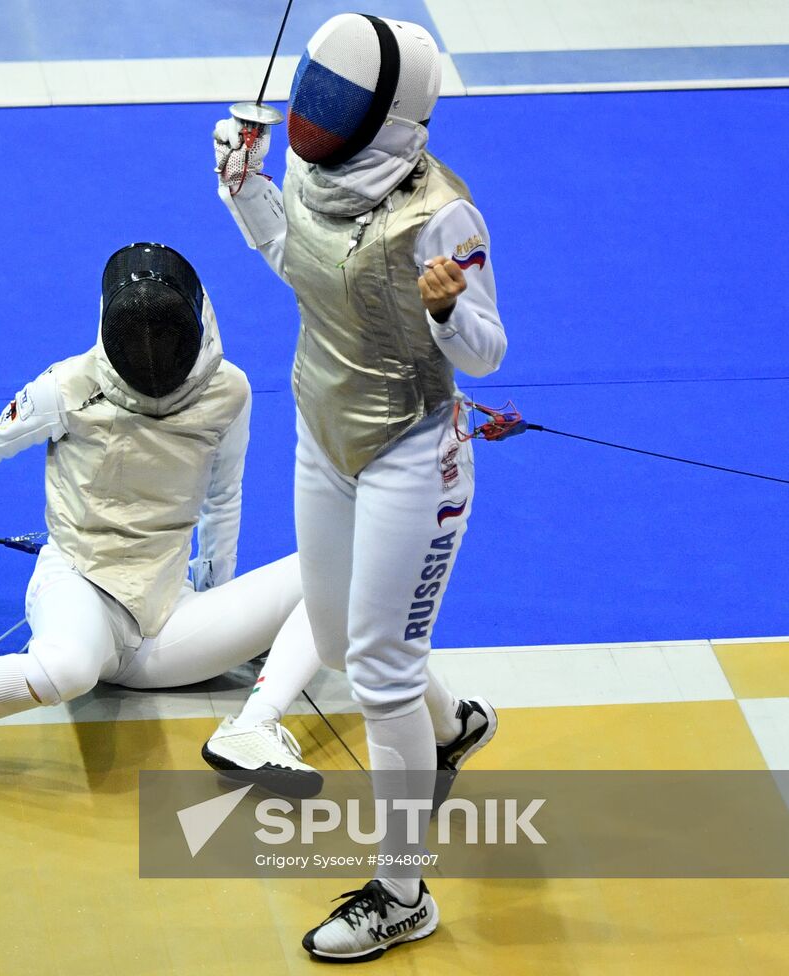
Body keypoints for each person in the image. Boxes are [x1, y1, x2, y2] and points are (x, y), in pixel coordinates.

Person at [0, 242, 318, 810]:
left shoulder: (229, 392)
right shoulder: (67, 386)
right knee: (69, 668)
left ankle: (254, 725)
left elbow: (224, 498)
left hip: (166, 621)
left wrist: (223, 605)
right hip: (80, 591)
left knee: (336, 568)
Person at [207, 13, 506, 963]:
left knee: (376, 675)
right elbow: (294, 263)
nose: (317, 114)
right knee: (335, 642)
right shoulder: (314, 173)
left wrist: (450, 312)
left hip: (413, 454)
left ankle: (403, 891)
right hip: (319, 432)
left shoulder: (442, 213)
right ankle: (453, 726)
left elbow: (488, 356)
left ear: (391, 115)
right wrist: (245, 189)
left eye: (339, 103)